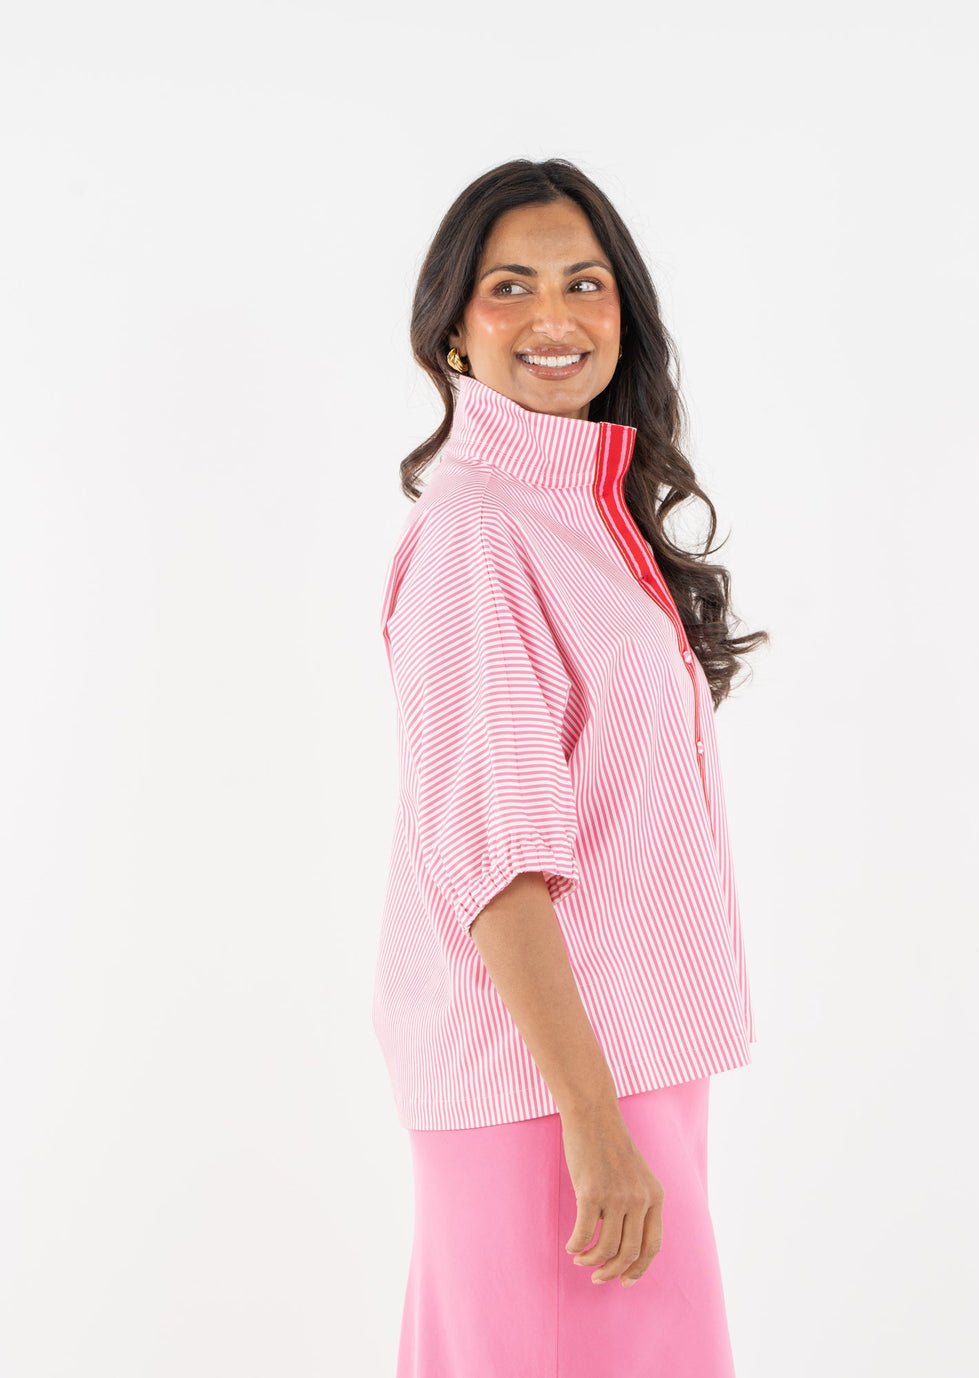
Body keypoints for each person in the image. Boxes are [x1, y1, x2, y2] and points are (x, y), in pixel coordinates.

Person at [372, 157, 769, 1378]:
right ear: (452, 330)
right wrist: (590, 1122)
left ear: (623, 310)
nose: (554, 316)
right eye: (510, 287)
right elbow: (496, 864)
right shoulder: (478, 533)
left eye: (584, 283)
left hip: (627, 1066)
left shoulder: (579, 513)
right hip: (548, 1088)